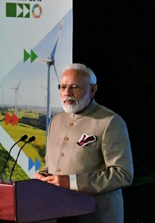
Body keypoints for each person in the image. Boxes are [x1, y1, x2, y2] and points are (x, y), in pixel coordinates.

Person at [34, 63, 134, 223]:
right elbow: (53, 164)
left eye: (75, 87)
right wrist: (44, 175)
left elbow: (122, 175)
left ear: (93, 89)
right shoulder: (56, 120)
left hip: (95, 216)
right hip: (58, 213)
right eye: (63, 87)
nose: (67, 93)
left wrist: (72, 182)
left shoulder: (110, 122)